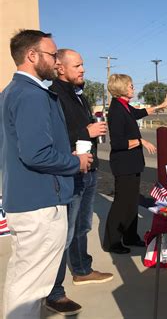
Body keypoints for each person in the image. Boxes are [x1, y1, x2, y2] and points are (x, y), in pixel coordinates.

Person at [1, 29, 92, 318]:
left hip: (27, 200)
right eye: (52, 55)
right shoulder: (31, 95)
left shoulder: (10, 92)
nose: (56, 62)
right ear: (31, 55)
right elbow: (36, 153)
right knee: (30, 287)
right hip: (40, 203)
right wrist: (75, 163)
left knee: (23, 279)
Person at [45, 49, 113, 316]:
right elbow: (53, 135)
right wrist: (86, 131)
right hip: (70, 170)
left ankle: (82, 270)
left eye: (83, 64)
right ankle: (54, 291)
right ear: (60, 68)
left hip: (89, 168)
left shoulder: (78, 94)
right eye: (78, 66)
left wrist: (93, 127)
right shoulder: (53, 96)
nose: (83, 69)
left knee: (82, 225)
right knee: (65, 231)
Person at [103, 74, 167, 254]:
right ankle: (112, 241)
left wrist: (160, 107)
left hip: (132, 164)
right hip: (123, 165)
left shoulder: (125, 106)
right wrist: (140, 141)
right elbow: (117, 143)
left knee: (132, 202)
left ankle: (130, 236)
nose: (134, 88)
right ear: (122, 88)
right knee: (121, 203)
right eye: (131, 86)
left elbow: (140, 113)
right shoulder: (116, 110)